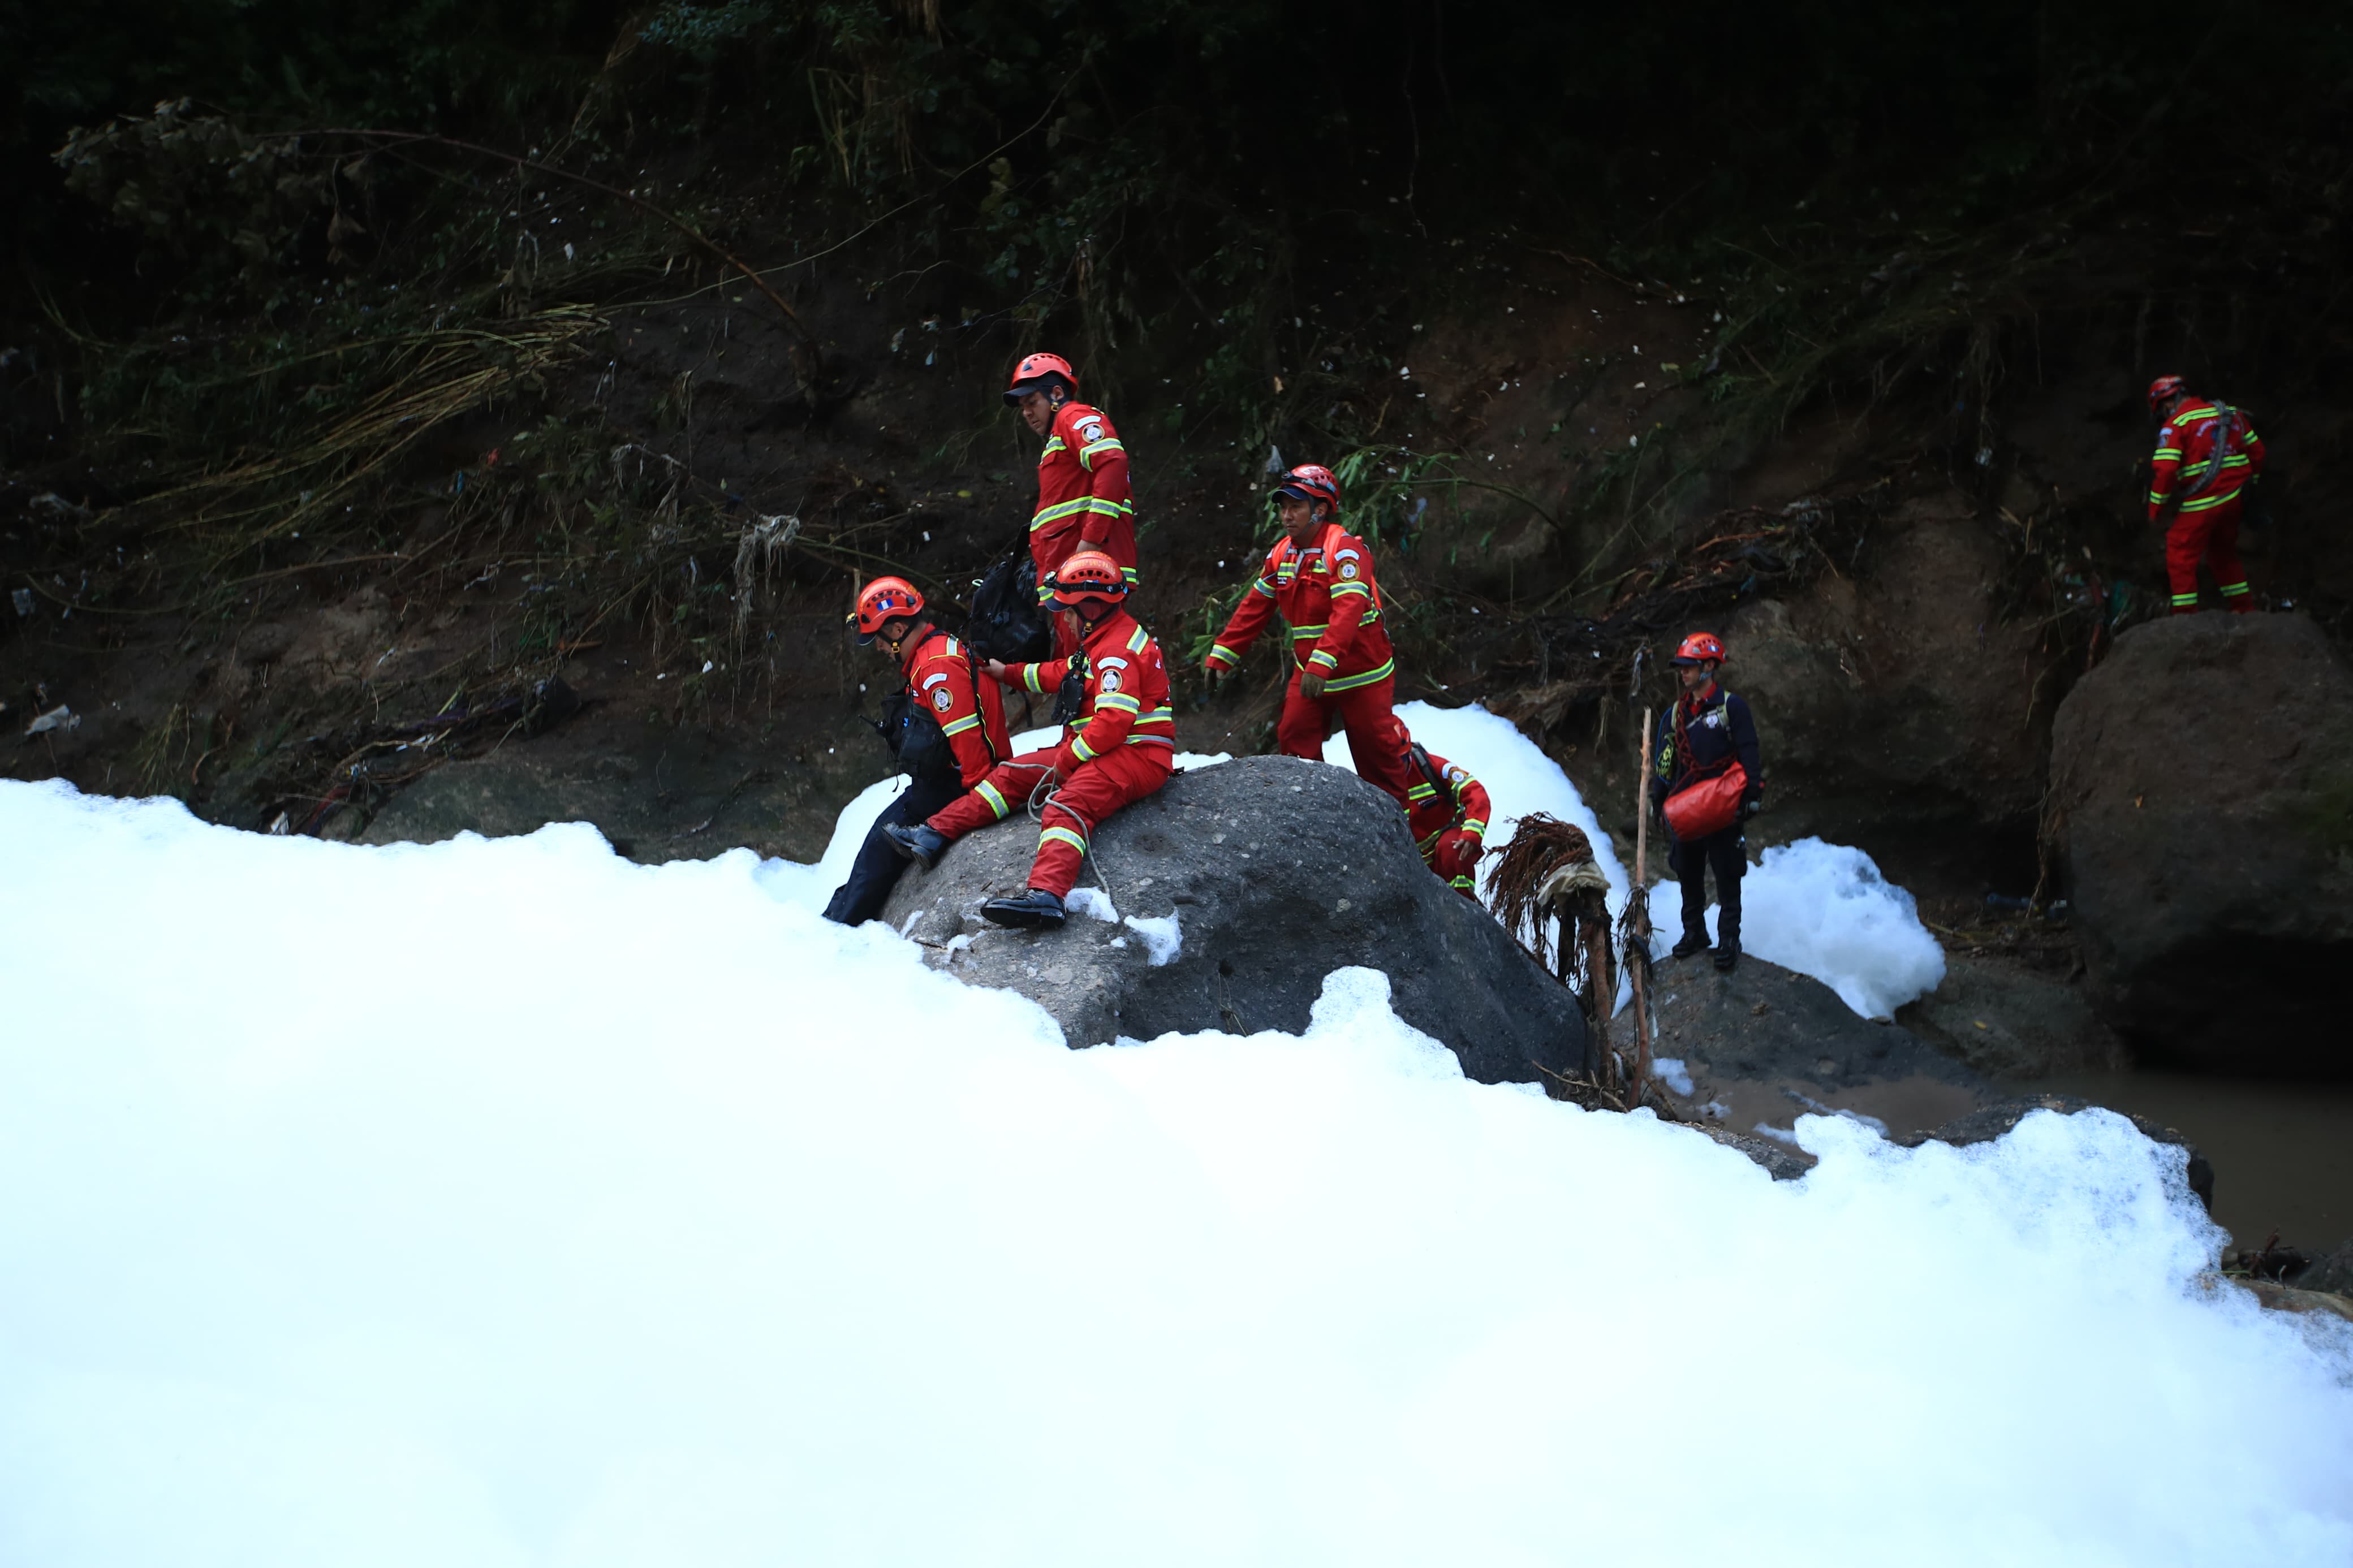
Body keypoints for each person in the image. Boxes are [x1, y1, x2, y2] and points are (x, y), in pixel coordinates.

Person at [884, 550, 1173, 929]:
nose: (1064, 618)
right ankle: (934, 833)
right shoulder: (1102, 639)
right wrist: (1005, 672)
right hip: (1107, 750)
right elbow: (1060, 674)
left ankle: (1047, 896)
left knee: (1068, 805)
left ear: (1092, 606)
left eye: (1069, 610)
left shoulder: (1117, 649)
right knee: (1009, 776)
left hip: (1136, 754)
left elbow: (1114, 723)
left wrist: (1069, 759)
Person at [1200, 463, 1415, 809]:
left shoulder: (1345, 552)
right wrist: (1223, 652)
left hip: (1364, 675)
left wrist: (1322, 662)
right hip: (1311, 670)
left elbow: (1349, 611)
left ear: (1321, 509)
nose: (1287, 516)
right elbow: (1255, 607)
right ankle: (1313, 817)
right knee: (1294, 740)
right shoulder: (1281, 555)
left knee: (1378, 758)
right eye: (1283, 507)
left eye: (1296, 507)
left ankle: (1399, 838)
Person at [821, 576, 1014, 926]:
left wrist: (977, 802)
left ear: (896, 630)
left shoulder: (936, 668)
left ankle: (840, 928)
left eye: (877, 639)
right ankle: (839, 914)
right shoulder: (937, 651)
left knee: (881, 844)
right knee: (878, 842)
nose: (877, 648)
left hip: (957, 784)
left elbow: (969, 743)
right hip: (949, 779)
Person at [1006, 352, 1136, 656]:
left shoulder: (1072, 417)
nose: (1026, 413)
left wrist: (1089, 544)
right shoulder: (1059, 437)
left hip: (1088, 581)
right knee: (1077, 676)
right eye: (1023, 407)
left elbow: (1113, 463)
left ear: (1057, 394)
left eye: (1032, 402)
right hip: (1073, 582)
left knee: (1087, 674)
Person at [1649, 632, 1761, 973]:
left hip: (1723, 806)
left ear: (1709, 667)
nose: (1682, 673)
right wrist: (1659, 795)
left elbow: (1749, 750)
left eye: (1689, 666)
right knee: (1687, 868)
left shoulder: (1731, 707)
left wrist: (1752, 793)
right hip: (1687, 807)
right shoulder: (1675, 714)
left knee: (1728, 871)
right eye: (1681, 667)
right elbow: (1666, 758)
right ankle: (1695, 932)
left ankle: (1729, 938)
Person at [2145, 374, 2265, 615]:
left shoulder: (2176, 424)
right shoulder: (2232, 414)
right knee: (2222, 554)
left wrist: (2156, 508)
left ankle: (2185, 618)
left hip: (2204, 502)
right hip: (2237, 499)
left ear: (2166, 404)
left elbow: (2167, 470)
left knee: (2180, 552)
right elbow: (2258, 452)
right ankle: (2244, 609)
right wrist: (2249, 486)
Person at [1394, 722, 1490, 899]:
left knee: (1453, 849)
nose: (1395, 767)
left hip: (1444, 853)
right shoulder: (1375, 779)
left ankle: (1465, 907)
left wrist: (1471, 834)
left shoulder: (1431, 767)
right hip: (1409, 862)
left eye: (1399, 759)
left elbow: (1475, 793)